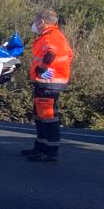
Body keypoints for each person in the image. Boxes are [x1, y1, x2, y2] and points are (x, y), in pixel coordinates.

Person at [23, 9, 73, 162]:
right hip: (46, 83)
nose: (35, 23)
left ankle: (49, 152)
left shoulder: (51, 37)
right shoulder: (51, 36)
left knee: (48, 119)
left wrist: (42, 68)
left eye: (36, 20)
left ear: (42, 21)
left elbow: (51, 54)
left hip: (49, 83)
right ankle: (40, 148)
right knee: (40, 117)